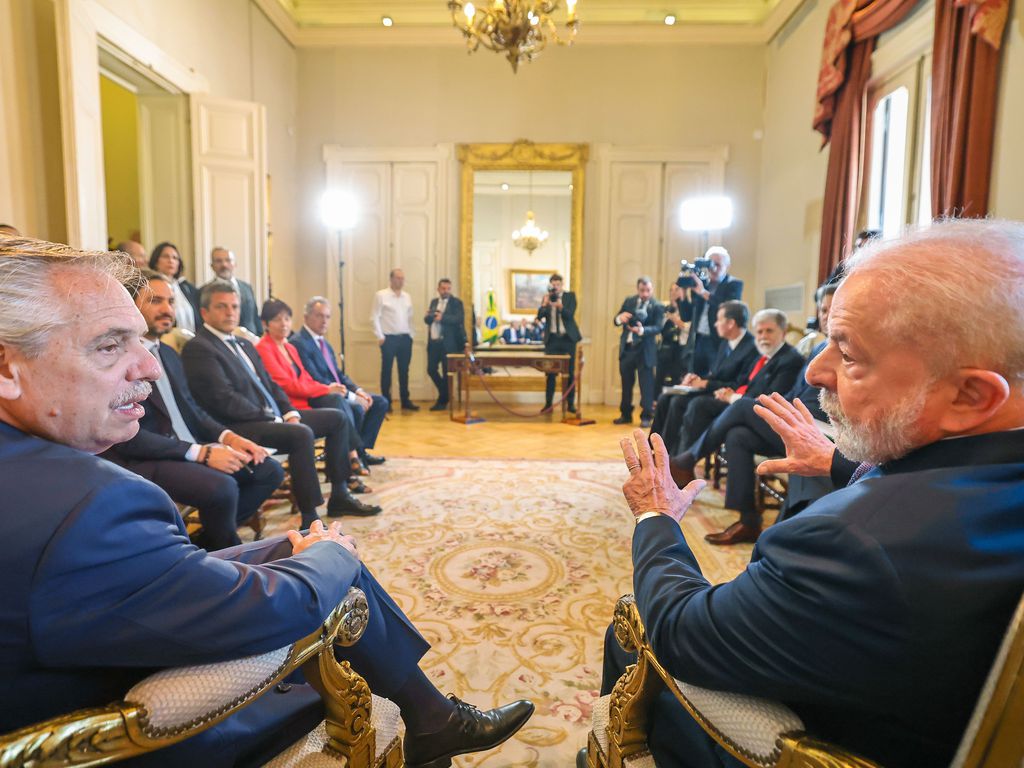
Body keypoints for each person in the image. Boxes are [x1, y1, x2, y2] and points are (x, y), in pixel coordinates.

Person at [0, 236, 534, 768]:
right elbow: (266, 614)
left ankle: (433, 717)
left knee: (291, 545)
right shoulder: (94, 505)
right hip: (156, 737)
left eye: (139, 341)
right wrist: (332, 555)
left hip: (96, 640)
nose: (151, 367)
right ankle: (432, 721)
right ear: (7, 366)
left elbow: (136, 580)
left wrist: (292, 551)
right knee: (326, 567)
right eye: (110, 345)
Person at [606, 218, 1024, 768]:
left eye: (849, 355)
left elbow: (682, 632)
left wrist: (656, 516)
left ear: (969, 395)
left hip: (821, 741)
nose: (816, 369)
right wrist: (838, 460)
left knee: (628, 631)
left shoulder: (849, 543)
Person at [102, 270, 284, 551]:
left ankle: (205, 545)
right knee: (222, 488)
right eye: (156, 301)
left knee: (268, 470)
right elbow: (130, 438)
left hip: (188, 447)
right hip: (144, 458)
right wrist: (202, 453)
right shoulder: (118, 359)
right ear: (130, 305)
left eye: (171, 302)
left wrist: (229, 438)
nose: (167, 309)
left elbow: (193, 411)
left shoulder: (170, 354)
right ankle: (227, 554)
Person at [181, 281, 379, 524]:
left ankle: (340, 494)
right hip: (240, 425)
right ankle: (310, 517)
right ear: (204, 313)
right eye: (222, 307)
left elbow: (271, 384)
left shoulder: (244, 343)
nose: (230, 312)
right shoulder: (199, 347)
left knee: (336, 418)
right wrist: (269, 416)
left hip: (270, 416)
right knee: (300, 434)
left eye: (234, 306)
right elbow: (223, 399)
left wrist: (288, 412)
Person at [683, 285, 837, 546]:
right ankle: (748, 520)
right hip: (797, 422)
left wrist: (779, 409)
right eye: (822, 309)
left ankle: (686, 460)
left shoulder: (845, 350)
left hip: (821, 430)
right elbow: (796, 393)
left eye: (832, 309)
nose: (825, 315)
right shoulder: (818, 347)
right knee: (738, 435)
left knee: (744, 407)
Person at [256, 298, 374, 492]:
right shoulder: (263, 348)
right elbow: (285, 385)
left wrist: (328, 387)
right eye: (277, 320)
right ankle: (350, 468)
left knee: (338, 409)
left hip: (304, 402)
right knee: (337, 411)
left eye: (287, 319)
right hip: (288, 410)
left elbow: (305, 379)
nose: (284, 324)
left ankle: (344, 481)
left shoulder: (289, 347)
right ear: (265, 323)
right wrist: (325, 390)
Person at [667, 308, 803, 456]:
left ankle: (684, 460)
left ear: (783, 333)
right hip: (739, 400)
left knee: (699, 405)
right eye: (759, 332)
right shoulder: (763, 356)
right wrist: (727, 392)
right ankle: (670, 457)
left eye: (769, 331)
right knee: (681, 401)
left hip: (755, 412)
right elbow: (741, 381)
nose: (763, 336)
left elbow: (772, 397)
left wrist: (732, 397)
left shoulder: (790, 360)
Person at [649, 300, 758, 454]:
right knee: (665, 398)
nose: (715, 324)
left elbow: (738, 384)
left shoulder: (752, 348)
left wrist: (706, 384)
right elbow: (716, 374)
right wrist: (695, 379)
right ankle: (654, 450)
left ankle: (673, 456)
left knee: (678, 402)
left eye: (719, 319)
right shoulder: (725, 343)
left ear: (731, 323)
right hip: (714, 388)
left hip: (729, 396)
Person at [291, 296, 387, 467]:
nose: (324, 321)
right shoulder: (299, 343)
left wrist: (358, 391)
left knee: (379, 402)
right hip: (321, 395)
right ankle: (353, 455)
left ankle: (361, 451)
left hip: (339, 392)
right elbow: (315, 378)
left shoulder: (324, 343)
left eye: (327, 317)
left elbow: (338, 375)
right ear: (306, 318)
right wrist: (351, 397)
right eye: (319, 316)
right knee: (357, 407)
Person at [678, 246, 743, 377]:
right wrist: (684, 293)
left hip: (718, 342)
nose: (713, 268)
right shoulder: (702, 283)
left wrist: (703, 292)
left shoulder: (734, 284)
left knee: (717, 379)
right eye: (710, 264)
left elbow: (728, 309)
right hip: (698, 340)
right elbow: (686, 316)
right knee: (694, 379)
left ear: (727, 266)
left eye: (717, 265)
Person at [613, 277, 665, 428]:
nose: (645, 294)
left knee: (646, 385)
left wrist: (642, 330)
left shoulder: (657, 305)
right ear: (638, 289)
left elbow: (658, 327)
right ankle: (625, 414)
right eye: (642, 290)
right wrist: (619, 318)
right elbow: (616, 319)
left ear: (652, 289)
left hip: (645, 350)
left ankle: (646, 416)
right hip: (628, 348)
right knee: (626, 384)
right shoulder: (629, 301)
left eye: (648, 290)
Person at [372, 268, 417, 411]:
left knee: (404, 371)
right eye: (398, 278)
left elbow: (410, 317)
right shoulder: (381, 295)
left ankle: (405, 400)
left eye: (402, 278)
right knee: (387, 371)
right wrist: (380, 336)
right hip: (388, 339)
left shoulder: (407, 296)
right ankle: (386, 402)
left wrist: (411, 335)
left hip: (405, 338)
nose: (401, 281)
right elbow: (374, 316)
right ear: (391, 279)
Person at [537, 273, 581, 413]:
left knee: (570, 372)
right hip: (552, 340)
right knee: (550, 372)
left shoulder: (570, 296)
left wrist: (560, 306)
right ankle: (548, 404)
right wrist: (544, 304)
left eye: (557, 284)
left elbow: (570, 314)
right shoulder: (547, 297)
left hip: (568, 339)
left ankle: (570, 404)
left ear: (562, 284)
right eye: (553, 284)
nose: (555, 287)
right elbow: (539, 316)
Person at [423, 278, 466, 411]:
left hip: (448, 344)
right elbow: (427, 319)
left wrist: (442, 318)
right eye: (443, 288)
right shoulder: (434, 302)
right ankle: (446, 395)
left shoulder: (456, 303)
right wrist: (430, 316)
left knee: (446, 372)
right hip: (434, 343)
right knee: (431, 369)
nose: (446, 291)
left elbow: (459, 318)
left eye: (448, 288)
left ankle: (442, 401)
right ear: (438, 289)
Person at [206, 246, 261, 336]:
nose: (224, 265)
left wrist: (260, 336)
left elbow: (255, 317)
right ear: (212, 266)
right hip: (222, 344)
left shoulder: (247, 287)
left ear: (234, 264)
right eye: (219, 261)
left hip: (251, 343)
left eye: (228, 260)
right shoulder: (204, 291)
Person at [149, 241, 200, 333]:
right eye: (165, 256)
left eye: (175, 258)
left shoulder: (186, 288)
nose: (171, 261)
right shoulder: (148, 286)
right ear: (156, 261)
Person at [655, 284, 689, 389]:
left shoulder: (688, 309)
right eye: (671, 290)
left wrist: (675, 319)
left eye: (677, 289)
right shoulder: (664, 307)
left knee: (677, 378)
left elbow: (689, 328)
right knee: (659, 378)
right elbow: (657, 327)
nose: (673, 292)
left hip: (681, 349)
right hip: (665, 348)